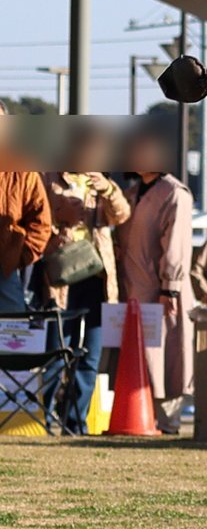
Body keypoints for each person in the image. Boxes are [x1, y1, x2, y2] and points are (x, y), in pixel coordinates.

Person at [42, 168, 130, 435]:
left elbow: (122, 215)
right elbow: (38, 216)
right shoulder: (49, 178)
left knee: (91, 355)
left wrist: (108, 190)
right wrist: (61, 215)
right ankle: (44, 419)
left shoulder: (100, 181)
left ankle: (75, 421)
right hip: (62, 278)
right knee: (57, 352)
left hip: (97, 277)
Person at [117, 157, 195, 434]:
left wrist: (169, 285)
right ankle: (140, 416)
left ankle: (168, 420)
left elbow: (177, 243)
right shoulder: (130, 193)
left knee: (168, 355)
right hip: (133, 288)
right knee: (140, 356)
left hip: (163, 290)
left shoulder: (175, 193)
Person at [0, 101, 52, 312]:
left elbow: (41, 223)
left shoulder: (22, 171)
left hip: (4, 272)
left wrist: (16, 257)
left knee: (13, 326)